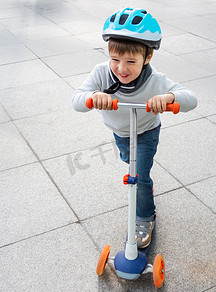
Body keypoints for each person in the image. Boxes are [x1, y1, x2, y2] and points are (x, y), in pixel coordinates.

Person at [72, 8, 197, 249]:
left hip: (146, 132)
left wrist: (169, 97)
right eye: (115, 60)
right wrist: (94, 96)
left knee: (138, 177)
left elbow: (191, 99)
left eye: (131, 61)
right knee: (135, 170)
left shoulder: (156, 80)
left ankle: (145, 217)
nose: (121, 68)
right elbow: (77, 100)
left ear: (147, 58)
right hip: (120, 133)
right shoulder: (101, 73)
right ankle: (145, 187)